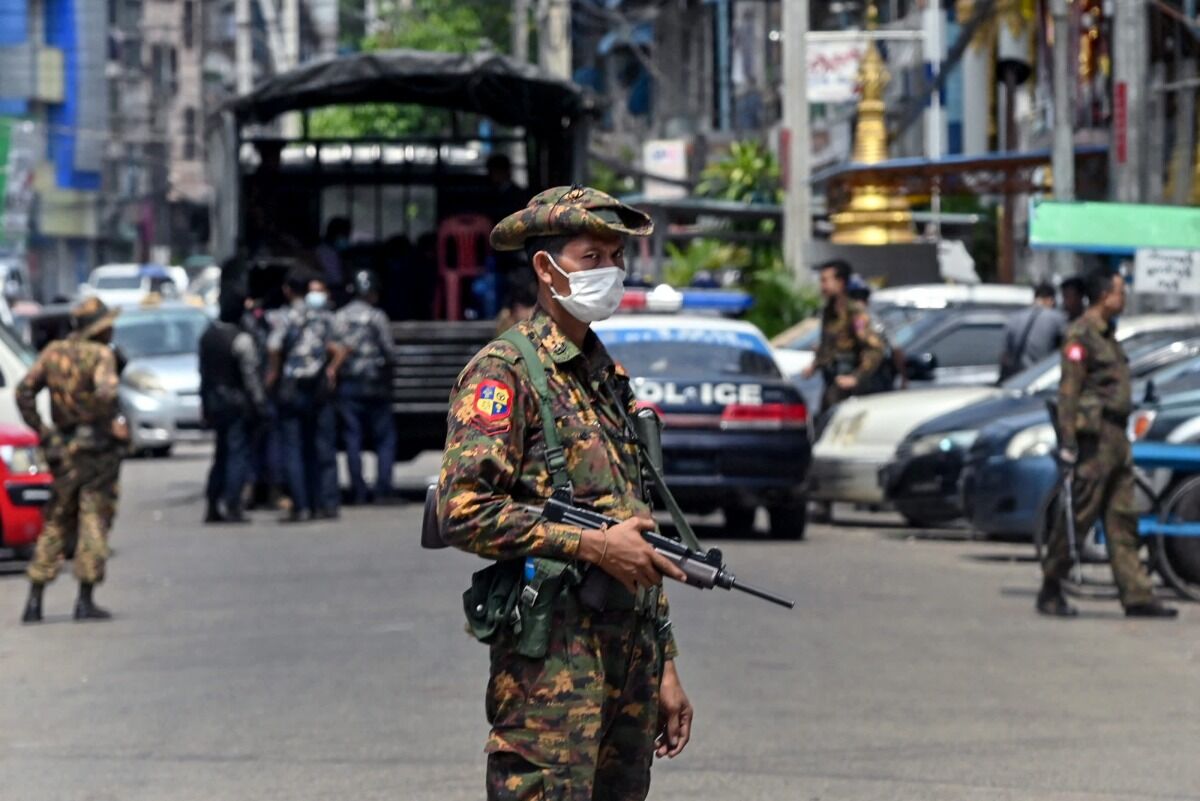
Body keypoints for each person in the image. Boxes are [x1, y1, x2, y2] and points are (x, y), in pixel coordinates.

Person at [437, 186, 693, 799]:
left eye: (614, 257)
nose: (608, 271)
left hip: (627, 660)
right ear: (547, 269)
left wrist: (665, 663)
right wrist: (592, 545)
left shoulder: (606, 377)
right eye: (590, 257)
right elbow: (464, 509)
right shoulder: (505, 373)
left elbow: (636, 524)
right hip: (552, 665)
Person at [1037, 269, 1177, 619]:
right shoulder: (1081, 335)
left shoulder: (1109, 336)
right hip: (1093, 441)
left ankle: (1137, 595)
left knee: (1122, 518)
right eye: (1120, 291)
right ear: (1104, 296)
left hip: (1116, 438)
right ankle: (1051, 585)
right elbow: (1068, 392)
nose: (1124, 296)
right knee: (1080, 515)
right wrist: (1068, 443)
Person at [19, 297, 125, 623]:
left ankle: (35, 599)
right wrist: (98, 419)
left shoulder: (53, 353)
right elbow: (107, 393)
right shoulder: (101, 356)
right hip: (95, 452)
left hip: (62, 450)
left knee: (57, 519)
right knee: (93, 517)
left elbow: (24, 391)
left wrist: (44, 431)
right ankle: (85, 599)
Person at [267, 270, 343, 523]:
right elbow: (335, 346)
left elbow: (274, 347)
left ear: (288, 290)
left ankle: (301, 506)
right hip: (318, 387)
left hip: (292, 387)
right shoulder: (321, 316)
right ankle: (322, 502)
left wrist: (274, 374)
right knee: (317, 446)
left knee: (293, 448)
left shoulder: (285, 316)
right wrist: (330, 368)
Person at [329, 270, 397, 505]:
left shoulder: (339, 317)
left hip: (349, 385)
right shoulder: (377, 317)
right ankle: (383, 489)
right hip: (375, 383)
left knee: (352, 438)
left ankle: (358, 490)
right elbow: (389, 351)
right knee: (384, 439)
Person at [200, 291, 268, 523]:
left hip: (214, 403)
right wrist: (260, 405)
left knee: (221, 454)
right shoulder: (242, 340)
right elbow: (251, 378)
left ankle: (212, 502)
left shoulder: (208, 336)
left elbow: (203, 374)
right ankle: (232, 503)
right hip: (237, 405)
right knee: (237, 454)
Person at [802, 259, 885, 415]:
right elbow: (828, 346)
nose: (822, 286)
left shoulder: (854, 312)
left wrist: (856, 378)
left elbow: (874, 348)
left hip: (849, 387)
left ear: (840, 282)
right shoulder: (829, 312)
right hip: (831, 383)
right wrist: (815, 365)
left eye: (825, 281)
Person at [998, 281, 1067, 381]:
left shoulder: (1014, 318)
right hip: (1042, 379)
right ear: (1051, 300)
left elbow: (1005, 355)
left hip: (1016, 379)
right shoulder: (1057, 318)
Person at [847, 274, 905, 392]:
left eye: (862, 297)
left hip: (874, 382)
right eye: (854, 297)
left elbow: (896, 350)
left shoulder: (876, 323)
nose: (859, 302)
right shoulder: (838, 324)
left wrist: (904, 378)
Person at [314, 216, 352, 294]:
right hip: (330, 290)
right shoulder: (324, 252)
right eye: (344, 234)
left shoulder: (337, 252)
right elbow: (336, 279)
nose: (347, 238)